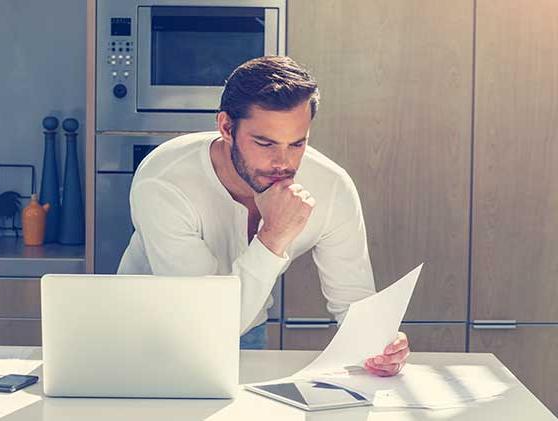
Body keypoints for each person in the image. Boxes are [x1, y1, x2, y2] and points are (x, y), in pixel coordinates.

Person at [118, 56, 410, 377]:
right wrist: (273, 236)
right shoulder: (164, 181)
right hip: (149, 337)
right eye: (265, 143)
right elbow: (204, 322)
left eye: (297, 143)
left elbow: (355, 305)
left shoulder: (331, 186)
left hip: (248, 332)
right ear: (227, 127)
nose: (282, 163)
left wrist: (379, 345)